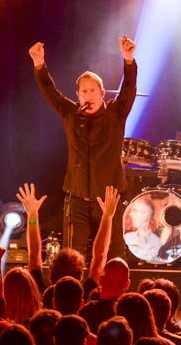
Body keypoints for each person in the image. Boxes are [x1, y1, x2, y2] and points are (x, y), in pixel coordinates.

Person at [29, 36, 137, 258]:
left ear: (102, 93)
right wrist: (39, 65)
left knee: (114, 253)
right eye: (84, 92)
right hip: (76, 198)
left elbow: (129, 88)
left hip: (108, 199)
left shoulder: (116, 113)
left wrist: (128, 59)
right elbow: (50, 92)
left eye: (93, 91)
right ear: (78, 96)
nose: (89, 95)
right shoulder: (71, 114)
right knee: (72, 256)